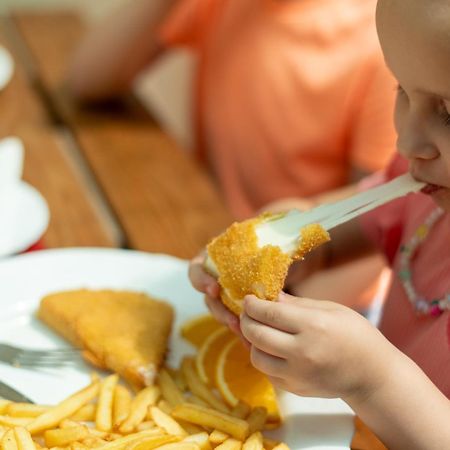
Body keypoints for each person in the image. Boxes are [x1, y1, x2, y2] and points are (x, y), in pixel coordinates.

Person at [189, 0, 450, 447]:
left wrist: (372, 381)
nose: (407, 141)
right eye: (402, 90)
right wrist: (277, 245)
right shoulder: (427, 187)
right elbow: (327, 232)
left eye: (448, 111)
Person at [69, 0, 397, 311]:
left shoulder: (382, 41)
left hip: (318, 295)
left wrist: (276, 312)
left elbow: (378, 225)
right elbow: (88, 81)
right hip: (214, 247)